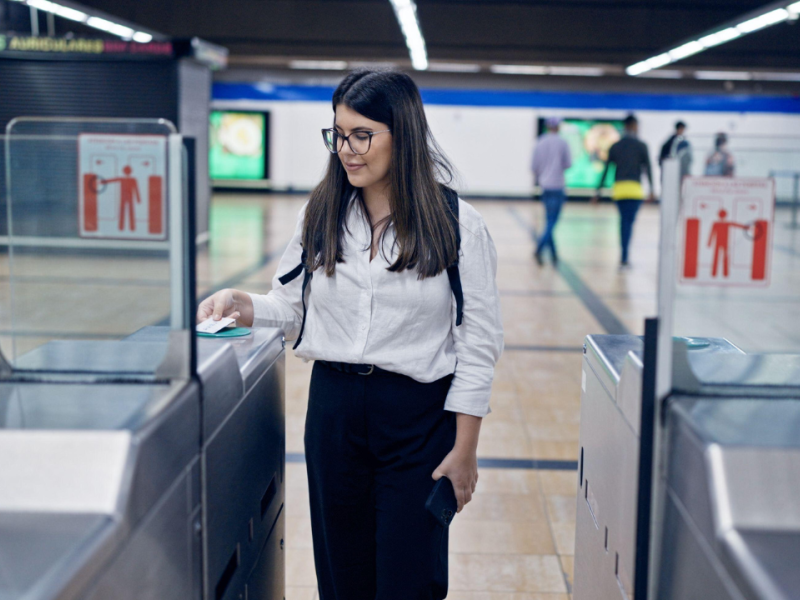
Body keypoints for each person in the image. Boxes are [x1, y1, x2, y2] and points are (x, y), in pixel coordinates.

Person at [197, 69, 504, 600]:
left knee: (409, 577)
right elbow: (290, 307)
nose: (346, 149)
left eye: (362, 134)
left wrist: (466, 448)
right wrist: (240, 304)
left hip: (417, 418)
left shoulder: (456, 223)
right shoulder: (321, 213)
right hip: (334, 410)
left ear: (402, 135)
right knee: (341, 574)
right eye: (338, 134)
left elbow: (477, 341)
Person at [592, 114, 654, 269]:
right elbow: (648, 168)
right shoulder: (641, 145)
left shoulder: (615, 146)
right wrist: (652, 189)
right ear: (633, 126)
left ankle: (623, 256)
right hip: (634, 190)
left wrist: (598, 192)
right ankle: (625, 257)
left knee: (623, 223)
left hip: (619, 190)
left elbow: (606, 170)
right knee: (629, 223)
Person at [531, 116, 572, 266]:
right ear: (558, 127)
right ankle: (540, 248)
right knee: (552, 221)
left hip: (545, 186)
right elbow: (568, 164)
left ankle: (554, 254)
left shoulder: (540, 142)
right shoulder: (563, 143)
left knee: (549, 220)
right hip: (558, 186)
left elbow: (533, 166)